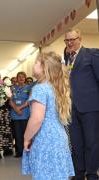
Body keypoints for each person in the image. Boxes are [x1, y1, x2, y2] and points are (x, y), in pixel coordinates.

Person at [22, 52, 74, 180]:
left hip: (45, 139)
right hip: (59, 137)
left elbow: (37, 119)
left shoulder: (40, 89)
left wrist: (26, 138)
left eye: (36, 62)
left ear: (44, 67)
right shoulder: (57, 88)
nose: (33, 65)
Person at [64, 29, 99, 180]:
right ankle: (79, 173)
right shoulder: (68, 59)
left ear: (80, 39)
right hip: (72, 109)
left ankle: (92, 174)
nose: (70, 43)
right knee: (76, 144)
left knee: (91, 143)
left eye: (73, 39)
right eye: (67, 40)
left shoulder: (92, 54)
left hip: (91, 107)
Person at [10, 71, 31, 157]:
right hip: (15, 115)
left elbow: (29, 99)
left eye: (23, 76)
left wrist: (20, 108)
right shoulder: (12, 88)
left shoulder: (29, 87)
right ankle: (19, 152)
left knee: (26, 134)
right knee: (17, 134)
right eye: (19, 77)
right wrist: (16, 108)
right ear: (17, 78)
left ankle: (27, 151)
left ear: (25, 78)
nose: (21, 78)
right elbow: (10, 100)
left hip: (25, 113)